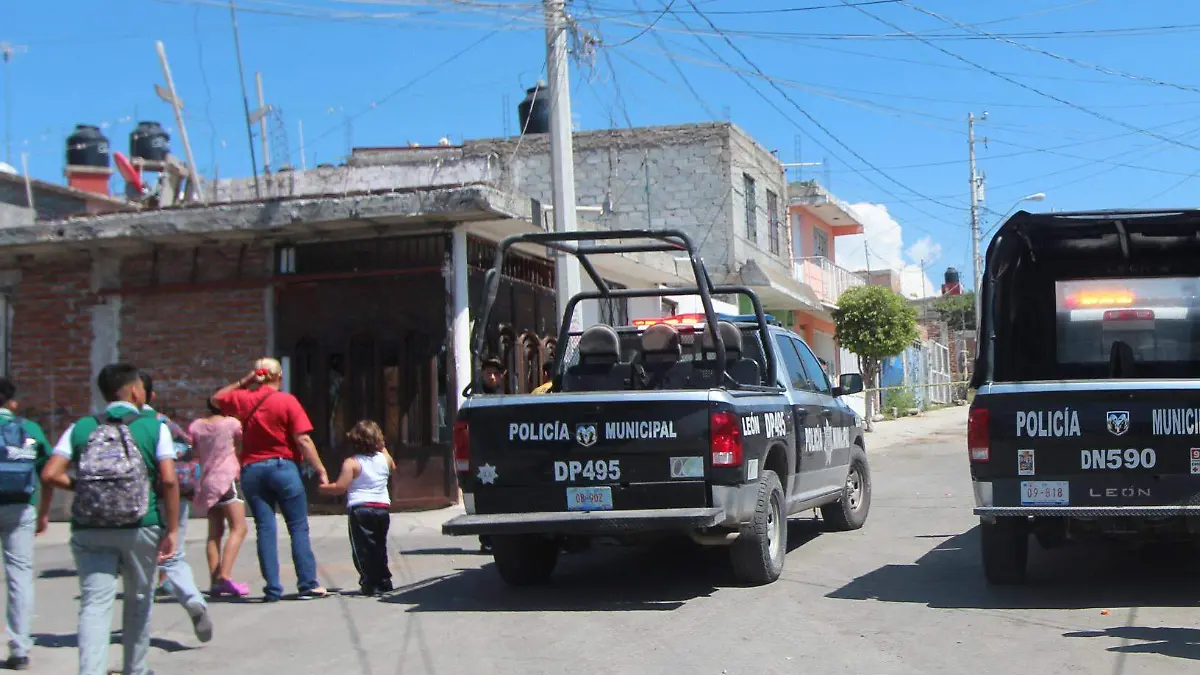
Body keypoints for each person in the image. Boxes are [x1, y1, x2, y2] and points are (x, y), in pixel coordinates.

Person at [41, 363, 180, 675]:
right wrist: (171, 529)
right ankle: (135, 669)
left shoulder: (81, 427)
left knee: (94, 603)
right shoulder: (153, 426)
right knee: (139, 599)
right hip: (140, 524)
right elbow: (169, 480)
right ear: (134, 390)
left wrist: (81, 486)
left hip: (90, 526)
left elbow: (50, 473)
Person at [211, 358, 331, 602]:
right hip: (283, 467)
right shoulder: (287, 401)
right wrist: (319, 468)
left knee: (265, 528)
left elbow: (216, 399)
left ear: (256, 376)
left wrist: (244, 381)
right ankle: (307, 584)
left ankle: (273, 588)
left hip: (252, 470)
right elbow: (303, 439)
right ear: (280, 377)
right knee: (297, 527)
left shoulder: (243, 399)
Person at [141, 374, 213, 643]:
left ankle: (140, 624)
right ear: (152, 396)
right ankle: (194, 600)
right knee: (173, 555)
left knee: (140, 564)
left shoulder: (126, 425)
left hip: (139, 500)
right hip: (175, 498)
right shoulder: (166, 423)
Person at [0, 378, 53, 671]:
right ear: (12, 402)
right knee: (19, 576)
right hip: (21, 507)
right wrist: (44, 511)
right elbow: (47, 473)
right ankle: (19, 649)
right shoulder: (29, 429)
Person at [318, 421, 395, 596]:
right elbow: (393, 467)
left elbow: (340, 487)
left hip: (360, 508)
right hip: (382, 508)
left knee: (362, 548)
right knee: (379, 545)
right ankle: (384, 579)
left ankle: (369, 581)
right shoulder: (386, 459)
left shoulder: (352, 463)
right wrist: (383, 448)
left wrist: (323, 488)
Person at [189, 397, 250, 598]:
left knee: (214, 532)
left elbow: (194, 449)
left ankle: (215, 581)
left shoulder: (196, 425)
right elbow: (242, 442)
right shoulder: (232, 424)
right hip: (227, 478)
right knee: (239, 527)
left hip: (207, 480)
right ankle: (225, 576)